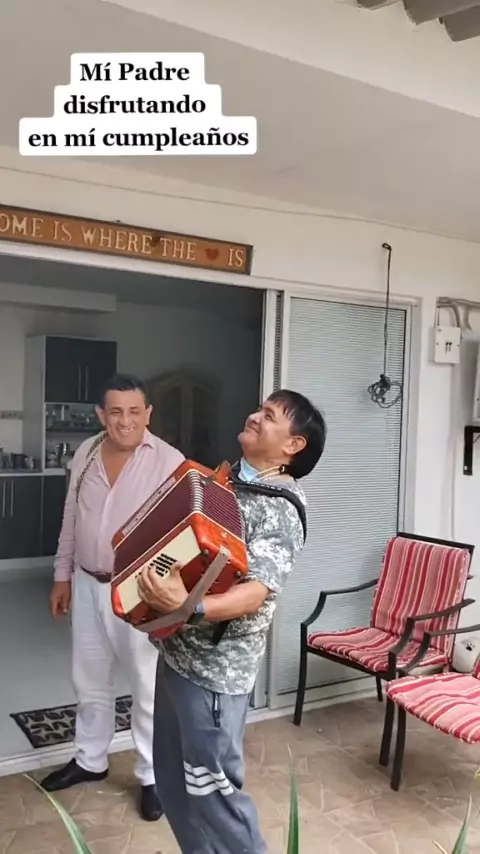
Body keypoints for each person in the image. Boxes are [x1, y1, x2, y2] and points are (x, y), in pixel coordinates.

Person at [138, 388, 326, 853]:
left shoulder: (281, 508)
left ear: (293, 446)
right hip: (177, 657)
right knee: (175, 785)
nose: (255, 417)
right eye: (259, 409)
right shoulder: (225, 482)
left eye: (270, 416)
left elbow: (256, 594)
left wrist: (189, 606)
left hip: (214, 676)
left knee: (214, 796)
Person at [40, 373, 185, 822]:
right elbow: (71, 518)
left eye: (135, 411)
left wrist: (160, 591)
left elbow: (183, 535)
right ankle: (90, 759)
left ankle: (152, 776)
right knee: (89, 679)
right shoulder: (85, 453)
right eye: (116, 412)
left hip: (139, 591)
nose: (126, 421)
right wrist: (62, 576)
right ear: (101, 415)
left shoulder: (170, 462)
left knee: (147, 688)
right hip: (86, 582)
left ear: (148, 414)